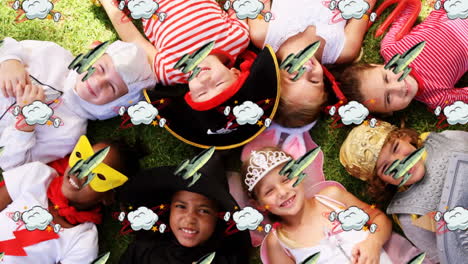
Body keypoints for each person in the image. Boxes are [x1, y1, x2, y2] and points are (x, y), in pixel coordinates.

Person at [99, 0, 280, 149]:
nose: (204, 80)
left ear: (189, 94)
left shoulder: (170, 72)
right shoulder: (237, 39)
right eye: (218, 85)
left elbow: (133, 39)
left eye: (201, 93)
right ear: (234, 72)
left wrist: (109, 4)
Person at [0, 37, 156, 170]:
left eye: (112, 87)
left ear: (116, 104)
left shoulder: (70, 133)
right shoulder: (54, 55)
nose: (97, 82)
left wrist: (25, 124)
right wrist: (10, 61)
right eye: (101, 68)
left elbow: (12, 165)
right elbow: (8, 44)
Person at [241, 147, 398, 264]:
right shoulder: (277, 242)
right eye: (269, 191)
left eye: (286, 179)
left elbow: (379, 218)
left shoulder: (332, 197)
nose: (282, 192)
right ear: (259, 205)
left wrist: (373, 242)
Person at [340, 120, 468, 263]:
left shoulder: (446, 141)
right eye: (386, 167)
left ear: (404, 137)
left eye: (395, 148)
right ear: (382, 181)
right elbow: (444, 256)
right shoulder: (410, 217)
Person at [0, 135, 139, 263]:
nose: (79, 172)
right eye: (82, 158)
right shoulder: (37, 176)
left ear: (108, 197)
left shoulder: (82, 241)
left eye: (98, 175)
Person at [247, 0, 376, 127]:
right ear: (324, 84)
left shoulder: (263, 34)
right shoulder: (344, 50)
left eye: (294, 78)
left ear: (275, 76)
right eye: (314, 81)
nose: (306, 69)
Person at [335, 0, 468, 115]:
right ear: (389, 112)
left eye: (386, 78)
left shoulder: (390, 49)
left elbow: (404, 15)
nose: (398, 87)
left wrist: (409, 5)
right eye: (388, 98)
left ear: (376, 65)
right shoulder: (436, 97)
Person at [118, 152, 252, 264]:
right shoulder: (143, 250)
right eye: (181, 206)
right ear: (169, 208)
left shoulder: (227, 260)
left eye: (204, 211)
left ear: (218, 217)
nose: (190, 219)